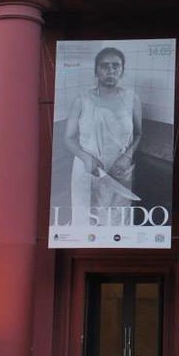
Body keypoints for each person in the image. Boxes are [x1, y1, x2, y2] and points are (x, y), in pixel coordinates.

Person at [65, 46, 142, 226]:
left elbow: (138, 134)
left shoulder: (132, 99)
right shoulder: (82, 99)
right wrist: (86, 158)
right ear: (96, 70)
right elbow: (68, 138)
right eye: (104, 66)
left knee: (116, 219)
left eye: (116, 66)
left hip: (120, 169)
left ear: (122, 70)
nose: (110, 70)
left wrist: (127, 156)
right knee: (86, 217)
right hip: (88, 167)